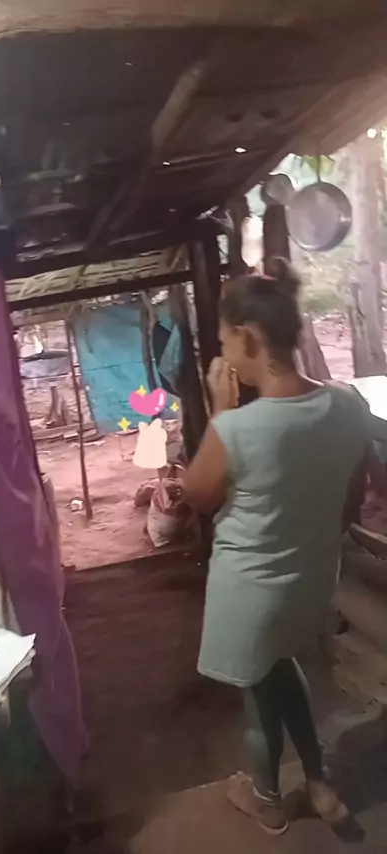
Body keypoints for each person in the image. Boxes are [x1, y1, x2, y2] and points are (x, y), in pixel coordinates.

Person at [183, 259, 369, 836]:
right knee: (283, 669)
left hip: (251, 594)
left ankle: (266, 801)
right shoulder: (347, 405)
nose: (222, 355)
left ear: (247, 338)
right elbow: (352, 496)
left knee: (258, 703)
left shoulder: (238, 429)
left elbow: (197, 495)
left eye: (223, 342)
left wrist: (220, 412)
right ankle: (319, 784)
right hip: (310, 578)